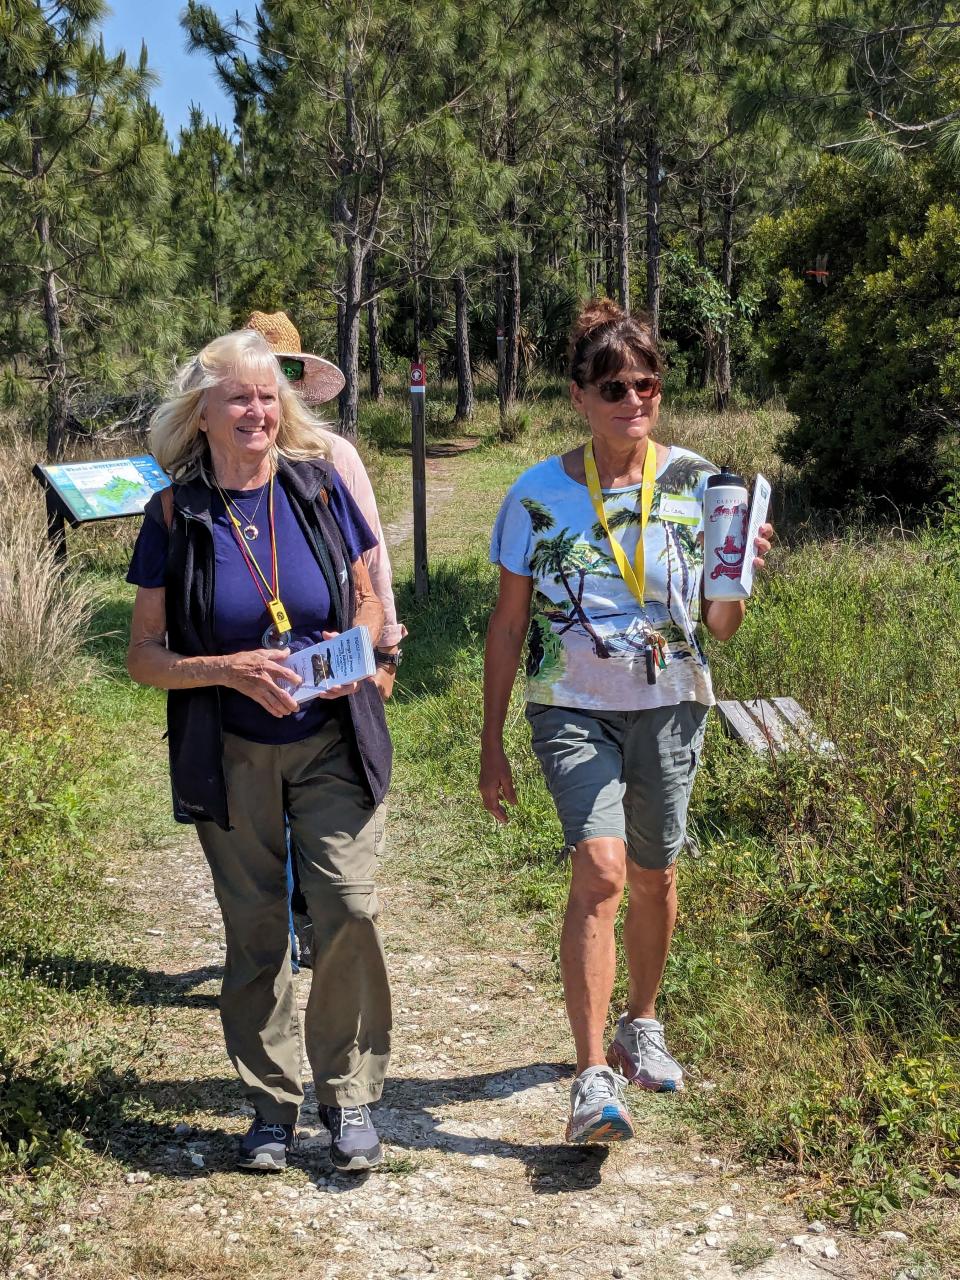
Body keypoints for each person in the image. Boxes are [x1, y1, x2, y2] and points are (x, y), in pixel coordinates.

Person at [479, 298, 773, 1145]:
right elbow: (507, 627)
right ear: (579, 395)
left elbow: (719, 630)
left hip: (672, 704)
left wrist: (738, 577)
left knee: (655, 874)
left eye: (646, 385)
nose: (632, 402)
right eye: (614, 387)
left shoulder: (697, 481)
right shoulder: (535, 495)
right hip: (571, 707)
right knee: (602, 871)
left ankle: (640, 1021)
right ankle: (590, 1078)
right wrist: (491, 741)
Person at [126, 329, 392, 1174]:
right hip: (232, 746)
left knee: (347, 906)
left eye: (269, 397)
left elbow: (367, 602)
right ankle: (270, 1109)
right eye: (238, 397)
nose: (257, 411)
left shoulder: (318, 490)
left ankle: (347, 1097)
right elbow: (142, 656)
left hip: (328, 738)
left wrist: (356, 655)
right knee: (255, 932)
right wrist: (226, 671)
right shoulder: (176, 513)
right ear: (201, 413)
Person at [240, 311, 406, 971]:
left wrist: (383, 651)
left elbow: (375, 564)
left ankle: (310, 916)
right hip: (246, 672)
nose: (270, 391)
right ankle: (271, 928)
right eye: (256, 377)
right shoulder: (212, 459)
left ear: (299, 382)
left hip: (330, 665)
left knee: (324, 805)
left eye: (281, 374)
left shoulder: (335, 458)